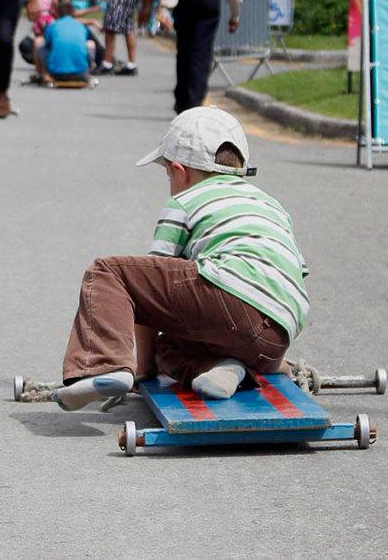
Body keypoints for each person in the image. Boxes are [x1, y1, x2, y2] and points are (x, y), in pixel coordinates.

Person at [53, 107, 309, 411]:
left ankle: (104, 365)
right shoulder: (271, 206)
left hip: (230, 302)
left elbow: (147, 295)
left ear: (179, 170)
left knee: (108, 273)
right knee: (170, 345)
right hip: (275, 339)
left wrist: (143, 369)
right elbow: (294, 275)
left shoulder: (185, 200)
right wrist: (272, 354)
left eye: (167, 175)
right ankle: (224, 368)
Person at [34, 0, 94, 85]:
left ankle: (43, 75)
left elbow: (47, 44)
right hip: (80, 74)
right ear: (73, 13)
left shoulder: (52, 26)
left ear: (57, 13)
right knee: (90, 44)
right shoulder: (81, 26)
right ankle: (88, 73)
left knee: (38, 41)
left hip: (55, 74)